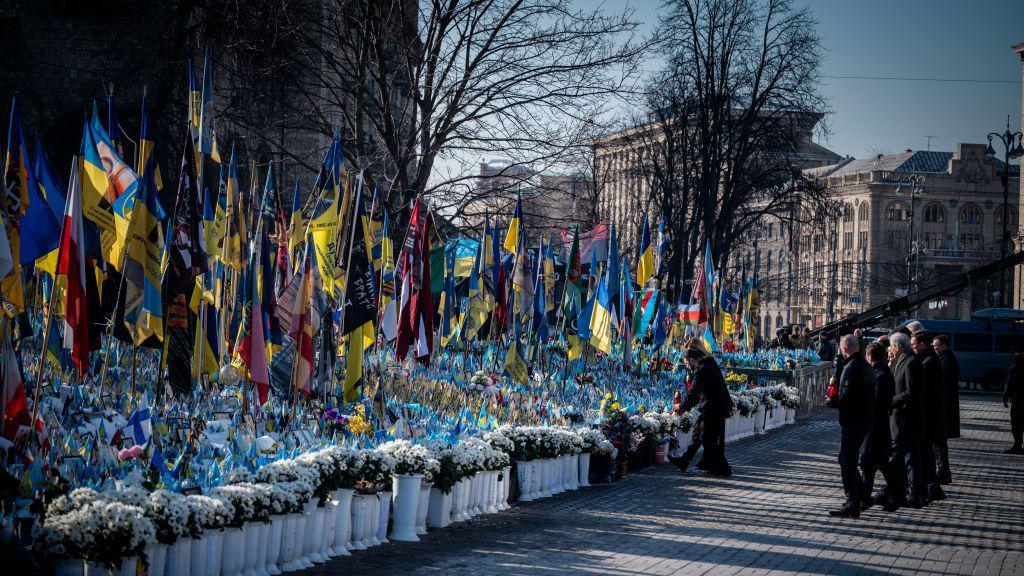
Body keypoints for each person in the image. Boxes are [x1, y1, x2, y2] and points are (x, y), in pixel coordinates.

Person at [829, 335, 875, 518]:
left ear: (845, 349)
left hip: (853, 421)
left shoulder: (851, 368)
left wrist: (832, 401)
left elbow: (847, 398)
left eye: (841, 348)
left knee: (847, 461)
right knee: (846, 458)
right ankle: (861, 496)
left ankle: (852, 502)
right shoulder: (865, 365)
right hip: (863, 420)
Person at [671, 346, 733, 476]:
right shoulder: (708, 365)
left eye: (687, 363)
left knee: (707, 437)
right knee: (698, 434)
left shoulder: (702, 370)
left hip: (714, 407)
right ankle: (685, 461)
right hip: (714, 405)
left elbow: (693, 394)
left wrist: (681, 406)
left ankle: (722, 467)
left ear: (692, 360)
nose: (687, 367)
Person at [887, 332, 925, 510]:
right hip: (901, 418)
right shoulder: (902, 359)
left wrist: (892, 400)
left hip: (907, 419)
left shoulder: (911, 363)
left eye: (892, 347)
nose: (890, 350)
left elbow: (912, 393)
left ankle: (912, 493)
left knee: (910, 458)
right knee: (906, 457)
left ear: (899, 346)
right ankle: (905, 492)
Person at [911, 330, 946, 502]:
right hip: (931, 415)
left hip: (929, 416)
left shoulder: (928, 362)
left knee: (925, 453)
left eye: (914, 344)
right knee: (926, 453)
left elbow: (925, 392)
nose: (913, 347)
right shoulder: (929, 360)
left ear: (923, 344)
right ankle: (932, 487)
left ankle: (932, 487)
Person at [860, 342, 894, 511]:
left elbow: (876, 401)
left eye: (866, 356)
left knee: (873, 463)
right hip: (877, 428)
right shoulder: (882, 371)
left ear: (870, 357)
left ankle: (896, 494)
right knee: (871, 464)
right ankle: (864, 499)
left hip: (875, 428)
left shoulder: (879, 374)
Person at [932, 334, 959, 483]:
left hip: (945, 408)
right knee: (939, 442)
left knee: (939, 442)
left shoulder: (947, 360)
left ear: (944, 346)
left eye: (937, 347)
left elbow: (942, 383)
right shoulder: (944, 359)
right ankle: (943, 471)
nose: (935, 349)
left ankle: (943, 472)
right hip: (945, 406)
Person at [1004, 347, 1024, 454]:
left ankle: (1017, 446)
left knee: (1016, 424)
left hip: (1018, 400)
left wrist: (1005, 397)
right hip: (1018, 398)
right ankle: (1018, 445)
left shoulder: (1015, 367)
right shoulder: (1014, 367)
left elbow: (1010, 384)